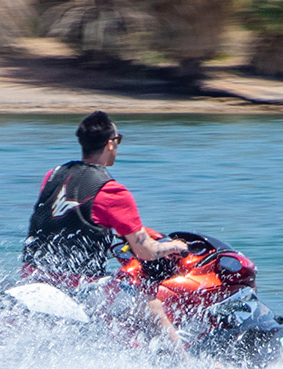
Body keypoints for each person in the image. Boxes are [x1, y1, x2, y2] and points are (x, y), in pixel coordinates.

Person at [20, 110, 189, 346]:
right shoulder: (112, 192)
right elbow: (146, 251)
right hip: (78, 285)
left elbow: (68, 218)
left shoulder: (54, 175)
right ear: (110, 144)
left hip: (32, 275)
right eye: (118, 140)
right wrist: (174, 246)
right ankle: (185, 361)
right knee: (151, 304)